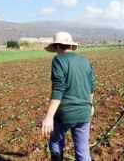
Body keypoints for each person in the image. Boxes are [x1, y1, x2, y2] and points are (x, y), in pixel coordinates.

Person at [41, 32, 96, 161]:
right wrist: (90, 105)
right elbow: (91, 86)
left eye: (55, 48)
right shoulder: (85, 61)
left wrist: (49, 117)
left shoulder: (58, 60)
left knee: (55, 142)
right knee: (82, 151)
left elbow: (58, 87)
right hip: (84, 112)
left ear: (57, 46)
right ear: (70, 46)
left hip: (64, 113)